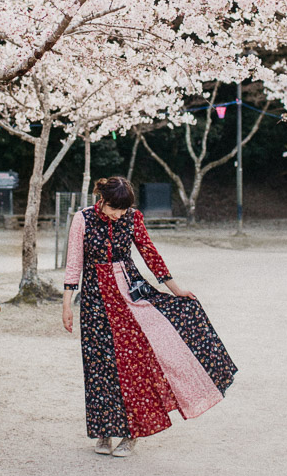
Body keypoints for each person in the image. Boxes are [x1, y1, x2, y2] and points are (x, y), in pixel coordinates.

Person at [61, 176, 237, 457]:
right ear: (102, 200)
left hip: (130, 296)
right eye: (116, 209)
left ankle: (132, 434)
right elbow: (74, 263)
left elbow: (149, 254)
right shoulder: (82, 220)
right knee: (98, 364)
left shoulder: (132, 218)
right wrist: (67, 304)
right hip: (94, 301)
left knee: (134, 366)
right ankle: (104, 430)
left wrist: (176, 289)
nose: (120, 215)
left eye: (124, 210)